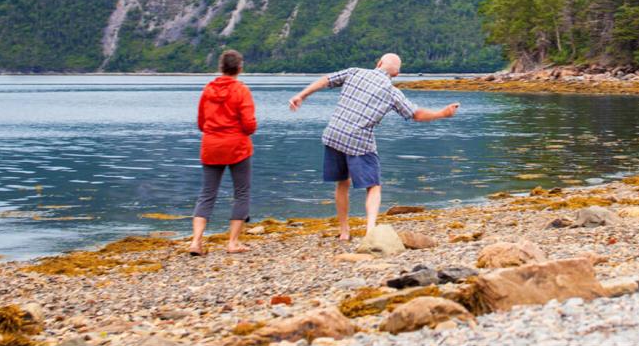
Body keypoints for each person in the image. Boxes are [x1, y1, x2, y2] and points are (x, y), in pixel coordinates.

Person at [288, 53, 458, 242]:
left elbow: (326, 80)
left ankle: (345, 232)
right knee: (373, 187)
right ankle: (370, 231)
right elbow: (416, 114)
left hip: (334, 134)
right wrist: (442, 113)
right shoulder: (391, 92)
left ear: (378, 63)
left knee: (342, 183)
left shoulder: (355, 72)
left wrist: (301, 95)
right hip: (359, 141)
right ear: (396, 74)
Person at [190, 49, 257, 255]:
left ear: (221, 67)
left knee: (207, 194)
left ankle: (196, 241)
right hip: (237, 147)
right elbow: (249, 125)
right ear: (239, 68)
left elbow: (201, 122)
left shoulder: (207, 90)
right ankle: (233, 242)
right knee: (241, 193)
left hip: (211, 146)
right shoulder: (241, 90)